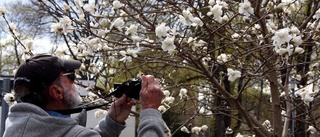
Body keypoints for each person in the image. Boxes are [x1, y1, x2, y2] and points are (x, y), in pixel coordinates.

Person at [3, 54, 165, 137]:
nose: (74, 84)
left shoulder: (15, 127)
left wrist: (112, 122)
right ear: (56, 92)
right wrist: (150, 111)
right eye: (70, 77)